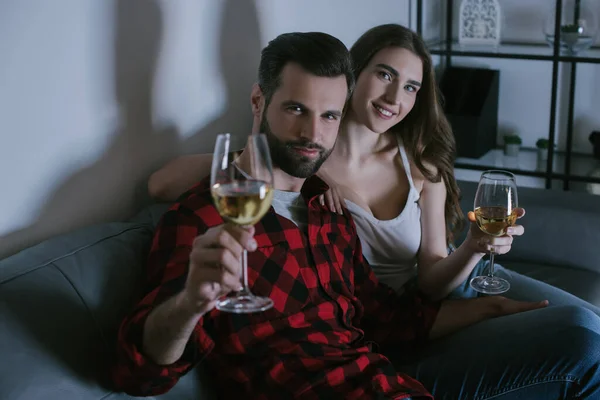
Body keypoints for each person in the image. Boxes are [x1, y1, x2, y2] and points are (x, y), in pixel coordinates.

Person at [112, 30, 600, 399]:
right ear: (259, 101)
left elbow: (386, 318)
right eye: (296, 110)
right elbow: (139, 371)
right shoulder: (205, 220)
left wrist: (487, 308)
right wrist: (190, 304)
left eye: (327, 116)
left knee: (584, 332)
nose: (312, 132)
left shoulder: (328, 213)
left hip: (391, 381)